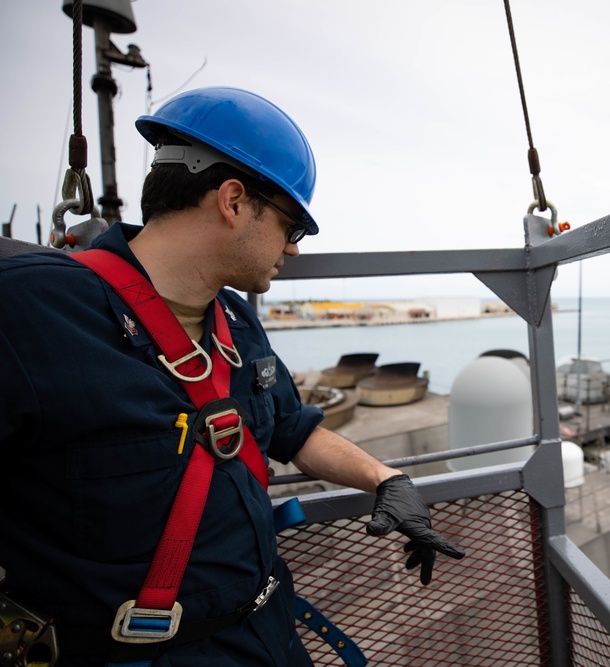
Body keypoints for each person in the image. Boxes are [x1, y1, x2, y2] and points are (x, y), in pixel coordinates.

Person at [0, 86, 464, 666]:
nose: (293, 251)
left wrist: (386, 480)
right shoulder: (30, 311)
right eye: (292, 227)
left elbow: (292, 431)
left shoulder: (236, 321)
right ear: (234, 201)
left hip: (269, 630)